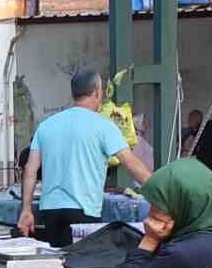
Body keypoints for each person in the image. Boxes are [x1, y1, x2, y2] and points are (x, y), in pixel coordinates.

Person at [18, 69, 151, 247]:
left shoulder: (46, 125)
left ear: (73, 93)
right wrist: (160, 191)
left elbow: (30, 170)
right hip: (84, 211)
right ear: (97, 91)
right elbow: (131, 163)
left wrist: (26, 209)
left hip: (49, 210)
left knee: (56, 264)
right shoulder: (104, 126)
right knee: (81, 267)